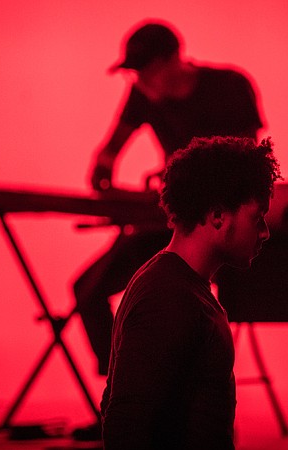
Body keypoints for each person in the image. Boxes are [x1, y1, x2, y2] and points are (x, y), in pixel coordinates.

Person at [74, 18, 264, 378]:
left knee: (183, 304)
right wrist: (102, 169)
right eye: (136, 75)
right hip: (173, 222)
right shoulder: (143, 95)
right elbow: (110, 150)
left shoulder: (229, 86)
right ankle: (124, 388)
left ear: (175, 59)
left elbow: (250, 163)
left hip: (223, 227)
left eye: (149, 71)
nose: (142, 82)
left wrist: (188, 178)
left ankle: (193, 395)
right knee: (88, 291)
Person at [100, 136, 281, 449]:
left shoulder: (177, 286)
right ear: (217, 216)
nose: (265, 232)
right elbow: (126, 428)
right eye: (257, 217)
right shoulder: (168, 298)